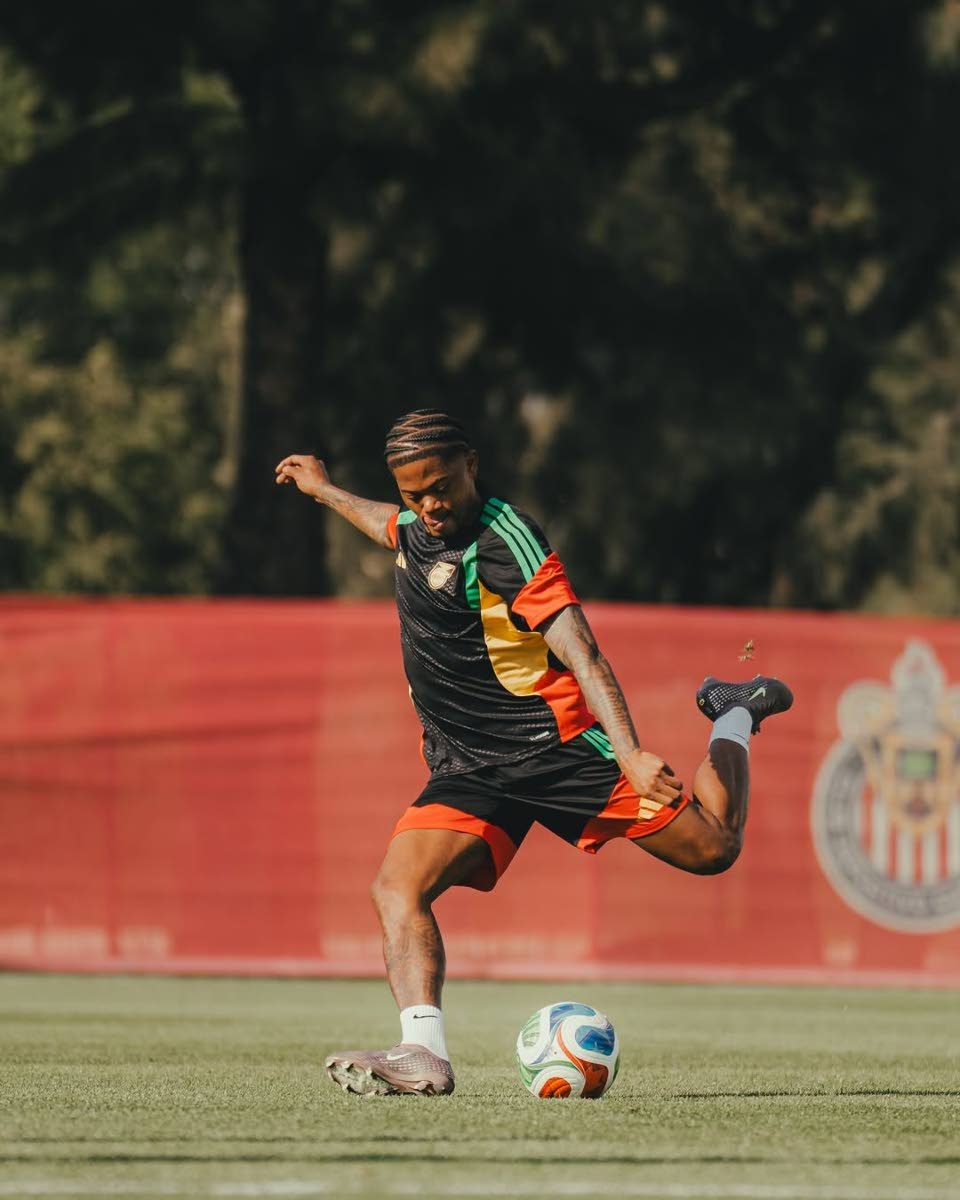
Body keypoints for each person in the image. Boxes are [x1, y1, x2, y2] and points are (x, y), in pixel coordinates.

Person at [275, 409, 792, 1097]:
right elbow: (387, 525)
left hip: (557, 751)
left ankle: (733, 712)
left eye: (440, 488)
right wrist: (325, 491)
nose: (429, 506)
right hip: (468, 768)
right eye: (414, 493)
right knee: (396, 889)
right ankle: (422, 1052)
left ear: (471, 466)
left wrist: (631, 754)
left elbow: (583, 652)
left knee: (714, 848)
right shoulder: (418, 526)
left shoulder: (505, 540)